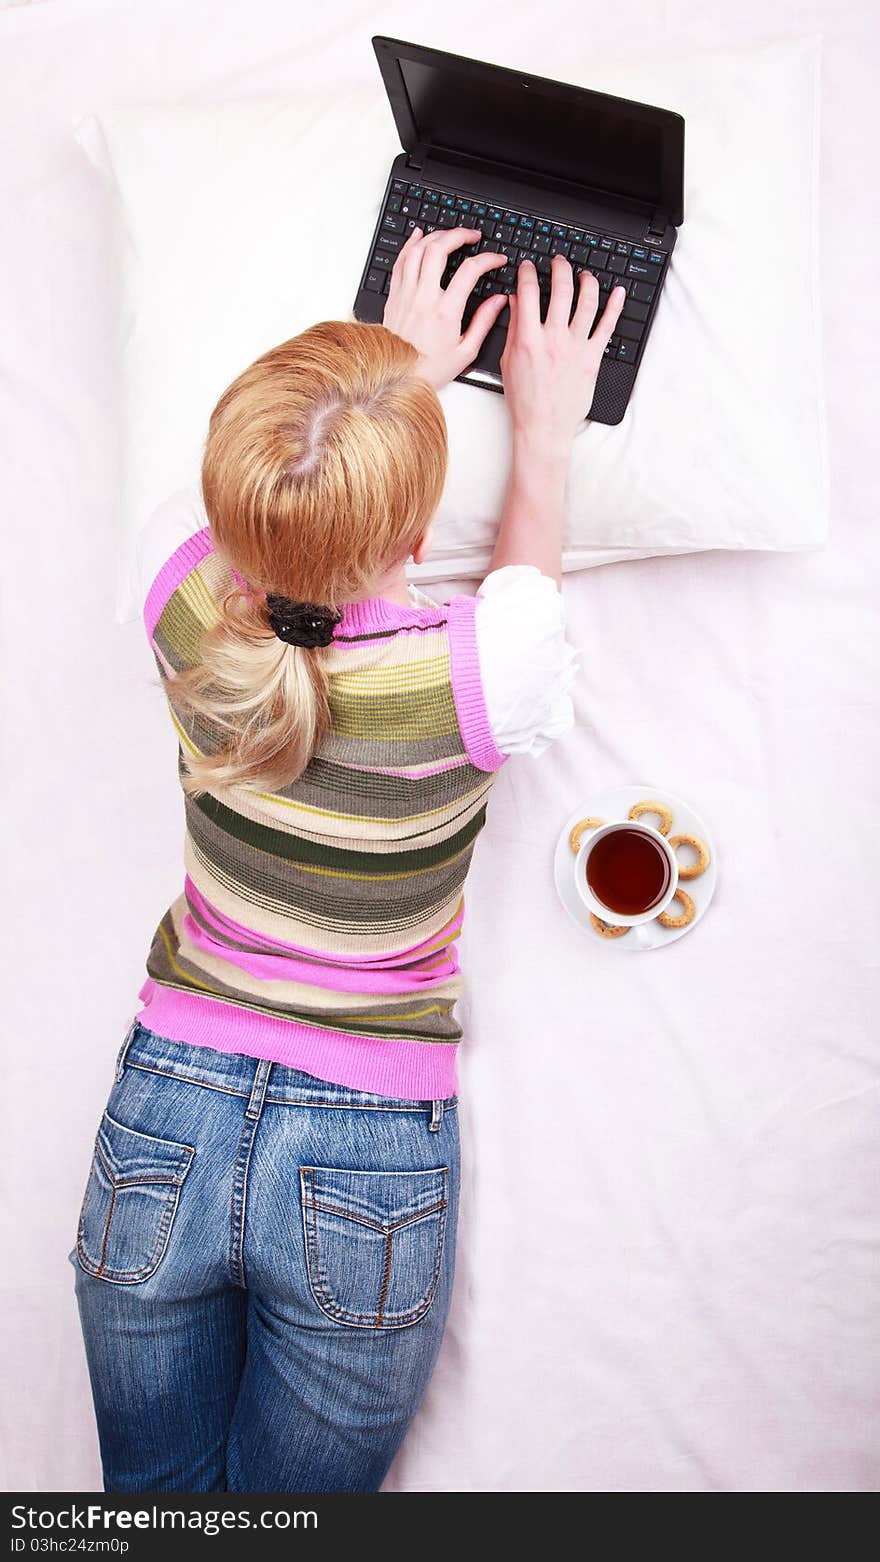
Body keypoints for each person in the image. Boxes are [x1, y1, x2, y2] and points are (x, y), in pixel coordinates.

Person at [68, 227, 626, 1492]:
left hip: (164, 1115)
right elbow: (524, 585)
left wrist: (375, 383)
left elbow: (273, 523)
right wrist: (534, 431)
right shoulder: (484, 672)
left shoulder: (174, 586)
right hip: (365, 1148)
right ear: (418, 527)